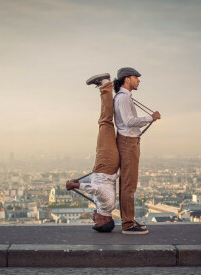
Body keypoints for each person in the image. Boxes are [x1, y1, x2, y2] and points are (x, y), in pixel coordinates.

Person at [66, 73, 120, 233]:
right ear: (104, 220)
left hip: (105, 166)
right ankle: (105, 85)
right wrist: (77, 185)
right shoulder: (106, 205)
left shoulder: (104, 206)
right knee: (105, 123)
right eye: (96, 222)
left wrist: (79, 180)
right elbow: (97, 189)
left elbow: (97, 183)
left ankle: (106, 88)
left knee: (106, 124)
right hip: (106, 164)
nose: (93, 219)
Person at [113, 67, 161, 234]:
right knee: (128, 184)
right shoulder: (124, 98)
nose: (138, 80)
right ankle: (127, 224)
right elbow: (129, 120)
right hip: (128, 143)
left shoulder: (123, 97)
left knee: (127, 184)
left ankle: (128, 220)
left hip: (128, 142)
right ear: (127, 79)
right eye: (136, 77)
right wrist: (150, 118)